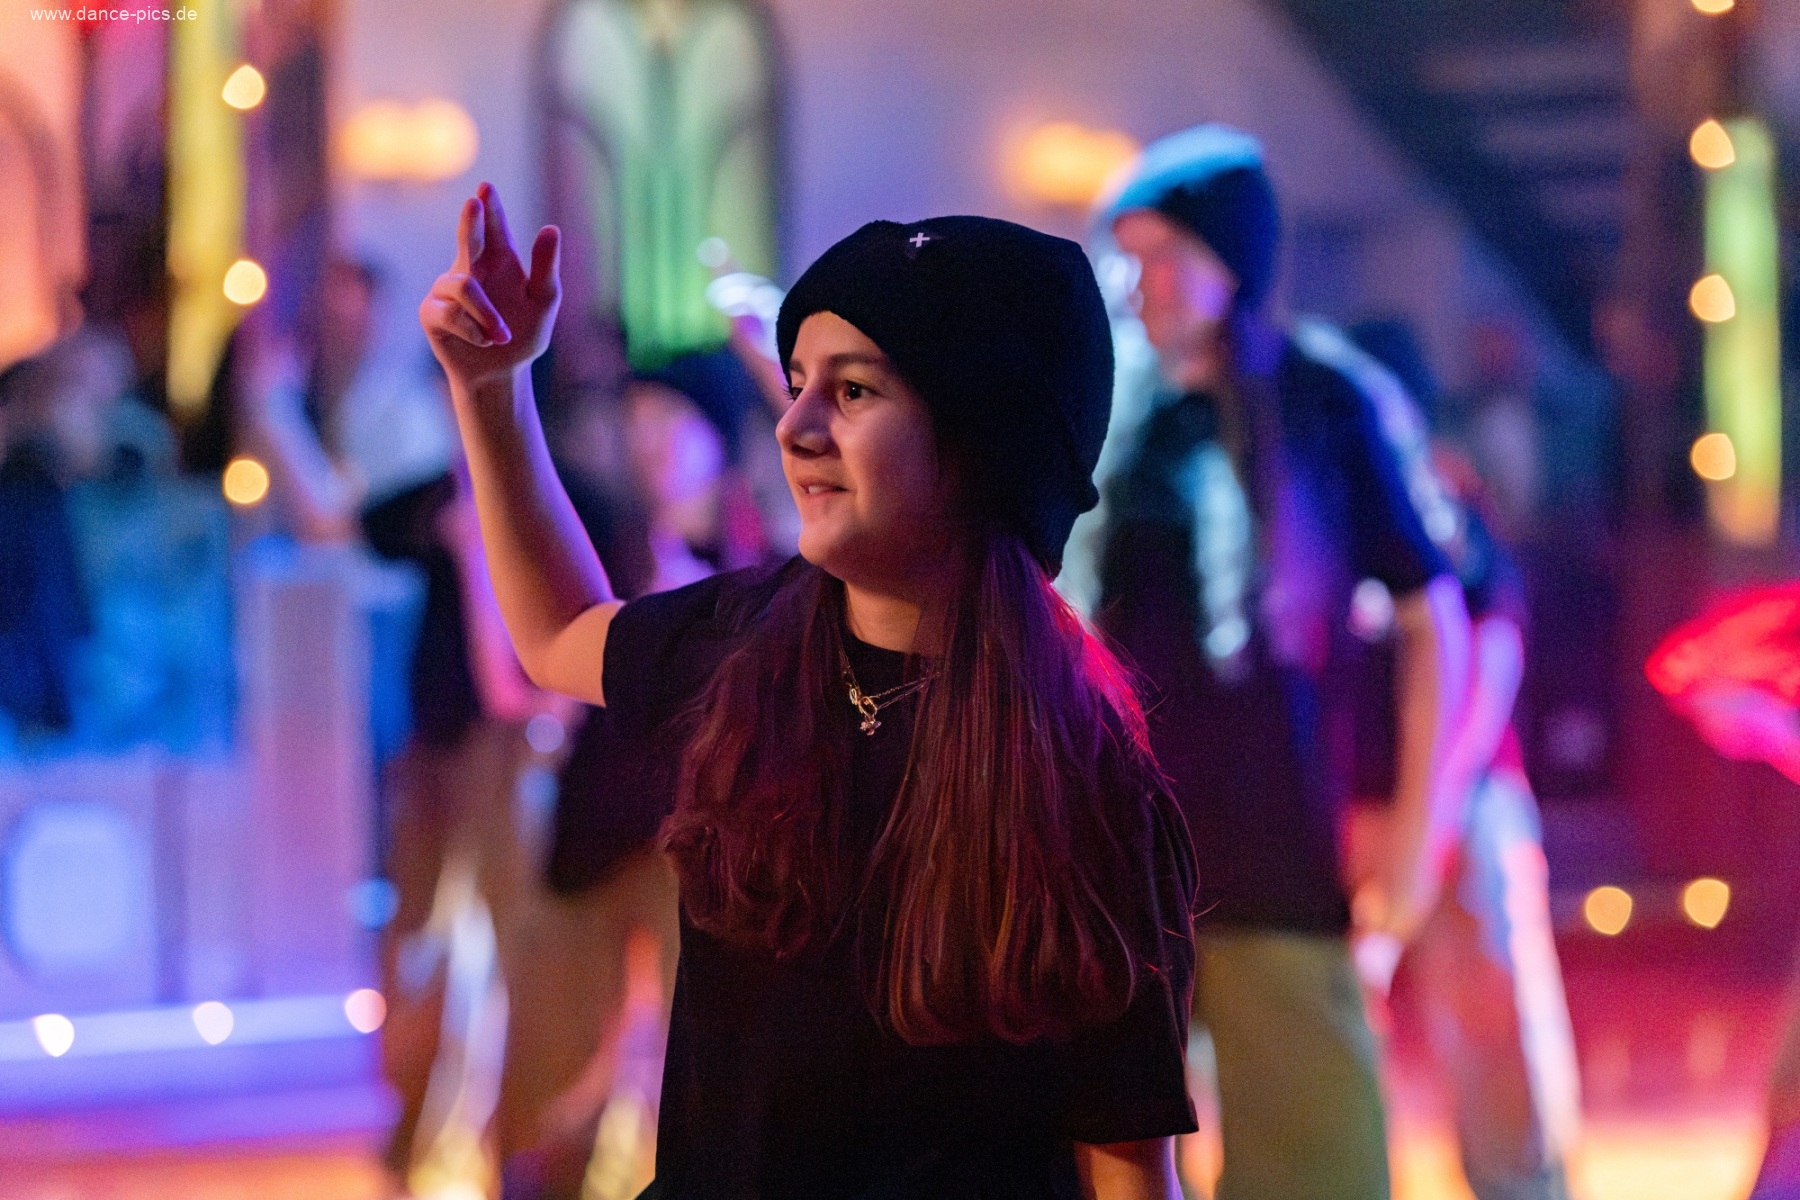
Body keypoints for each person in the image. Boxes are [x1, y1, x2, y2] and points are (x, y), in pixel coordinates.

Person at [420, 182, 1199, 1199]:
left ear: (982, 441)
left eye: (855, 391)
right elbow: (562, 633)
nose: (794, 426)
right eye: (796, 383)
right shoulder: (747, 644)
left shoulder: (1082, 777)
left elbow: (1128, 1165)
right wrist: (493, 390)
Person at [1082, 126, 1472, 1200]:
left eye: (1167, 255)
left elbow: (1435, 615)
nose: (1142, 283)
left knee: (1312, 1166)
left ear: (1232, 262)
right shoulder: (1119, 411)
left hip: (1278, 847)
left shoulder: (1324, 400)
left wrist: (1415, 828)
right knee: (1101, 1154)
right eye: (1130, 257)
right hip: (1119, 852)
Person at [1343, 320, 1581, 1200]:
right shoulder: (1338, 498)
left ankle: (1521, 1186)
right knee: (1349, 1013)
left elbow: (1492, 651)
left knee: (1491, 1012)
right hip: (1366, 797)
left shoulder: (1441, 493)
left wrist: (1437, 803)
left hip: (1464, 795)